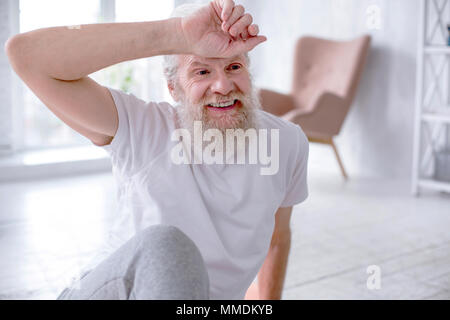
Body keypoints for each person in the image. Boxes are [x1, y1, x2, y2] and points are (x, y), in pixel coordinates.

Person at [5, 0, 309, 300]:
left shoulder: (287, 142)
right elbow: (26, 55)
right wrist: (175, 34)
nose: (222, 85)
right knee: (167, 244)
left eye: (234, 66)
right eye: (201, 72)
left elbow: (277, 237)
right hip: (116, 294)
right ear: (173, 87)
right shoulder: (142, 127)